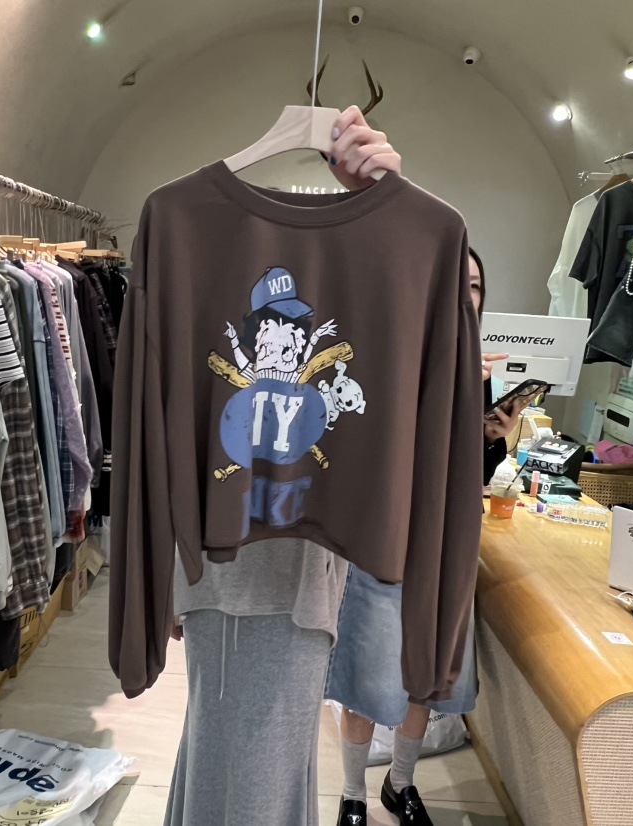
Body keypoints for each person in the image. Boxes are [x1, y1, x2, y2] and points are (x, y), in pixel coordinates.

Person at [163, 111, 404, 826]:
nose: (284, 334)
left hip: (308, 578)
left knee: (271, 757)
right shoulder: (186, 235)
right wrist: (169, 565)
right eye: (273, 324)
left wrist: (388, 200)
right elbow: (168, 427)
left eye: (293, 325)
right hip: (232, 576)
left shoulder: (350, 309)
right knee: (240, 759)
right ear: (255, 328)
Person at [324, 107, 522, 826]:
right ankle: (352, 793)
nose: (465, 296)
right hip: (381, 534)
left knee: (428, 672)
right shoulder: (395, 351)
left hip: (445, 540)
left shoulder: (480, 374)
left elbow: (471, 477)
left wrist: (494, 436)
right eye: (454, 283)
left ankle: (399, 784)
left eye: (475, 288)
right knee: (363, 667)